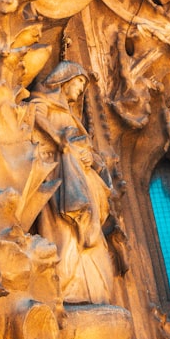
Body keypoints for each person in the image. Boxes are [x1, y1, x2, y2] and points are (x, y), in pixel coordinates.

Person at [29, 61, 116, 304]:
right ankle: (66, 291)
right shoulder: (43, 100)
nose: (80, 91)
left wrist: (90, 156)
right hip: (56, 175)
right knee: (65, 234)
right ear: (65, 80)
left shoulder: (69, 114)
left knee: (88, 237)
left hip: (80, 176)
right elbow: (34, 117)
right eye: (78, 83)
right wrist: (60, 141)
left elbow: (83, 145)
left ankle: (89, 292)